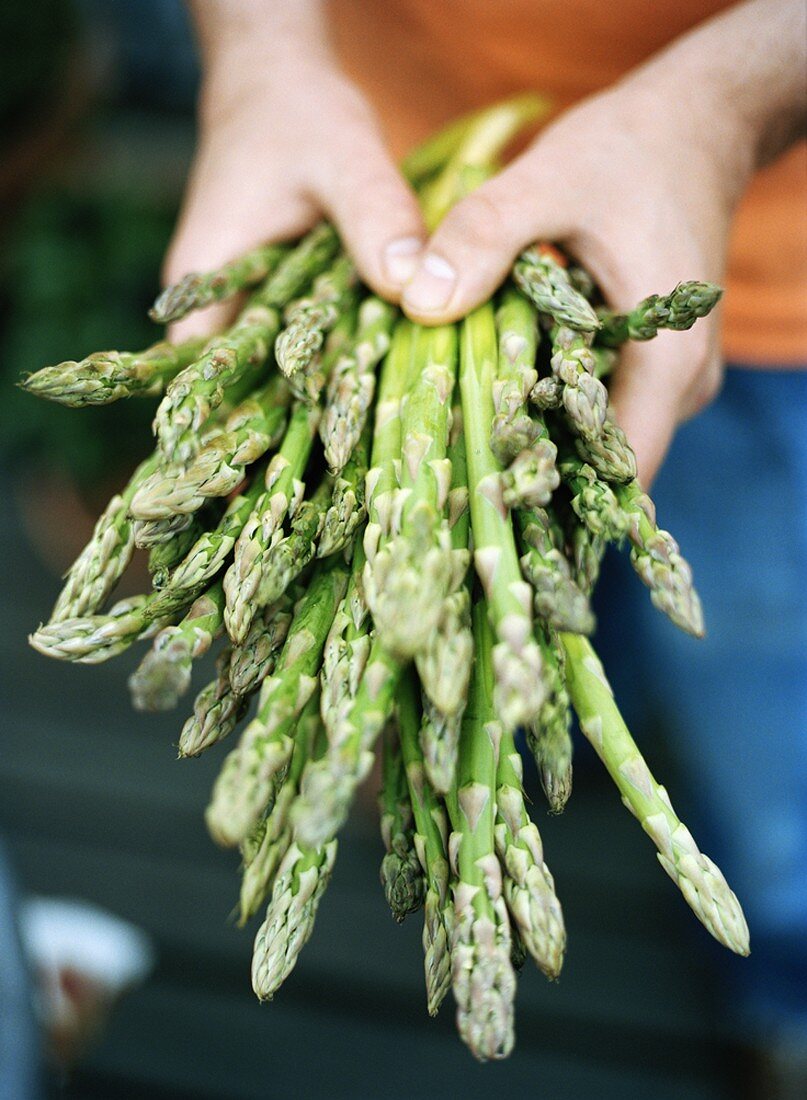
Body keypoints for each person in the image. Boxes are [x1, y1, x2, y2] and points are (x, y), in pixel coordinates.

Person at [164, 0, 807, 1083]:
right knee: (512, 622)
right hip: (370, 183)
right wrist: (258, 55)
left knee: (776, 731)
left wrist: (725, 105)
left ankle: (787, 986)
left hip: (776, 270)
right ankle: (498, 716)